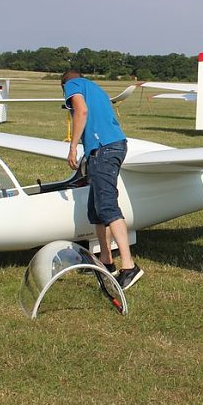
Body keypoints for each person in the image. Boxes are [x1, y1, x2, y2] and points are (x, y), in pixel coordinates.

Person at [61, 70, 143, 290]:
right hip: (109, 147)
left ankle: (129, 267)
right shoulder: (96, 88)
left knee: (107, 206)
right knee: (96, 210)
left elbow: (81, 111)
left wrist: (72, 147)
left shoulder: (72, 85)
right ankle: (105, 262)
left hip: (103, 149)